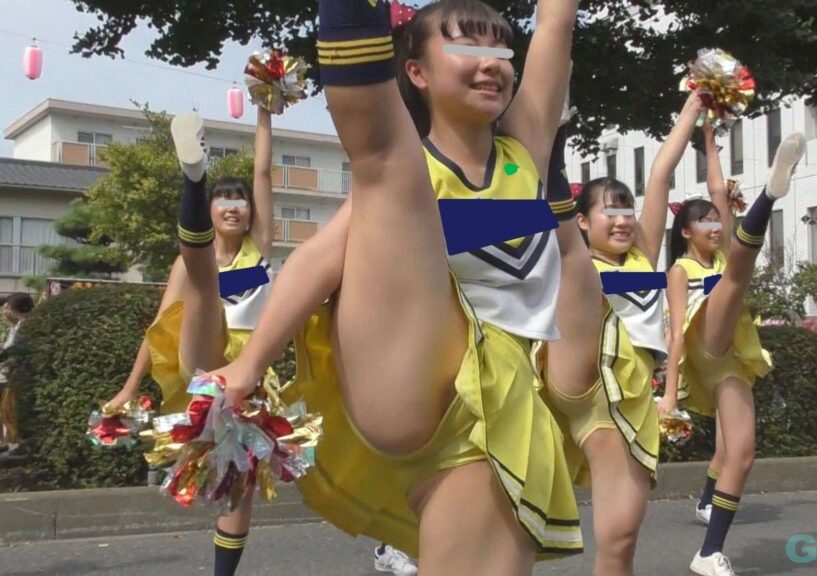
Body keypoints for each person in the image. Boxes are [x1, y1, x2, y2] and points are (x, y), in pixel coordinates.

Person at [213, 0, 587, 573]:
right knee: (388, 165)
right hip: (413, 381)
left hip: (502, 405)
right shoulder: (403, 176)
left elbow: (556, 20)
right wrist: (249, 364)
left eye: (501, 51)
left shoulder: (523, 153)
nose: (492, 63)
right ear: (417, 72)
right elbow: (317, 260)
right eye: (466, 48)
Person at [104, 106, 277, 576]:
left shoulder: (259, 248)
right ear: (212, 211)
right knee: (202, 287)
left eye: (240, 200)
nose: (234, 206)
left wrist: (265, 104)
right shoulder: (185, 265)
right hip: (201, 368)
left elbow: (263, 170)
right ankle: (193, 179)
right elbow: (161, 325)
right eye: (223, 199)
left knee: (239, 487)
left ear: (251, 211)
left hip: (247, 381)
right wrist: (128, 388)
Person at [558, 90, 701, 575]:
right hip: (587, 393)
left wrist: (695, 103)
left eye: (627, 211)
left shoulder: (642, 256)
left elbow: (660, 172)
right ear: (582, 221)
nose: (622, 221)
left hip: (636, 399)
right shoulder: (576, 261)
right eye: (609, 212)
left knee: (623, 535)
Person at [663, 127, 806, 576]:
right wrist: (669, 394)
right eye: (704, 222)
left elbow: (717, 191)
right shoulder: (681, 269)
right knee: (736, 276)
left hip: (732, 361)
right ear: (686, 231)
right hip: (703, 346)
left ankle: (709, 551)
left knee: (738, 454)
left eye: (716, 220)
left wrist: (709, 142)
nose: (714, 225)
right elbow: (674, 333)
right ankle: (770, 195)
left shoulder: (723, 253)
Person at [0, 292, 34, 455]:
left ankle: (15, 443)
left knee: (10, 411)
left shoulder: (26, 327)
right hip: (10, 374)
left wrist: (4, 354)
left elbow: (15, 350)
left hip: (15, 376)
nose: (4, 311)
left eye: (7, 307)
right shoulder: (17, 326)